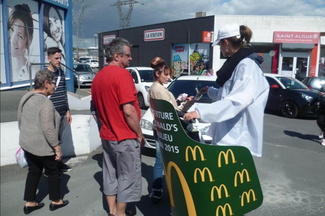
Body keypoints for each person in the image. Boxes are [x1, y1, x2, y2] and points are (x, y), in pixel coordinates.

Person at [183, 23, 270, 157]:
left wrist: (200, 112)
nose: (220, 48)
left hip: (236, 139)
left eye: (220, 45)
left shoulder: (246, 66)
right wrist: (210, 91)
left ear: (226, 42)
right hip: (228, 137)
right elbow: (228, 94)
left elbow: (237, 101)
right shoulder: (236, 64)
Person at [91, 37, 145, 216]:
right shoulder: (122, 75)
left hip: (107, 135)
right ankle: (120, 213)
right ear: (116, 56)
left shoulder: (98, 77)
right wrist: (138, 133)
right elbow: (128, 110)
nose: (130, 59)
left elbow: (95, 109)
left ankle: (113, 211)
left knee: (110, 174)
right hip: (124, 135)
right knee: (128, 176)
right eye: (127, 56)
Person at [148, 57, 199, 203]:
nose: (169, 77)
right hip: (167, 129)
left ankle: (158, 190)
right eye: (166, 74)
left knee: (160, 161)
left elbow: (173, 109)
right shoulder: (159, 90)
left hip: (160, 127)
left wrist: (186, 104)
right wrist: (185, 113)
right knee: (167, 160)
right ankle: (173, 191)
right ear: (158, 74)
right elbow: (172, 112)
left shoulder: (155, 89)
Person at [18, 69, 69, 214]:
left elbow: (20, 120)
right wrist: (57, 148)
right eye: (53, 83)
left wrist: (27, 137)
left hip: (28, 144)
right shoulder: (45, 103)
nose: (55, 86)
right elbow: (48, 129)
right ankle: (56, 201)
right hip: (44, 147)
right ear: (46, 83)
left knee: (33, 172)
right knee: (53, 172)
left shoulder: (26, 96)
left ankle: (30, 202)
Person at [45, 47, 72, 172]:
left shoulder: (61, 72)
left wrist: (67, 111)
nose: (59, 60)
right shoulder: (44, 74)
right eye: (56, 58)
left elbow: (64, 92)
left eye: (60, 58)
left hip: (62, 111)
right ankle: (51, 166)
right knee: (51, 140)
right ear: (49, 58)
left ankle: (58, 163)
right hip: (51, 113)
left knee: (59, 139)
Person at [8, 4, 34, 82]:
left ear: (28, 41)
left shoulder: (33, 69)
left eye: (20, 36)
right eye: (11, 30)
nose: (13, 40)